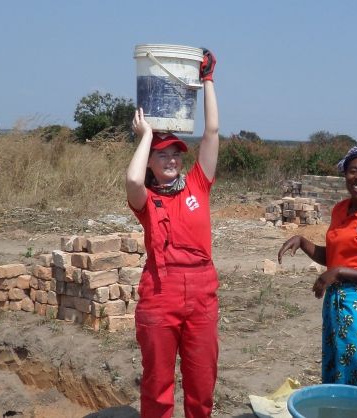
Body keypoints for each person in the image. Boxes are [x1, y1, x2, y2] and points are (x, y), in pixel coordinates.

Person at [125, 48, 219, 418]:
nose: (172, 160)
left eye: (176, 154)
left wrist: (208, 80)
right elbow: (133, 177)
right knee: (157, 385)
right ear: (150, 160)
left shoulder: (198, 185)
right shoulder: (145, 199)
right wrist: (147, 135)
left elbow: (211, 131)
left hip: (202, 294)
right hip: (160, 294)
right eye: (163, 155)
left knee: (201, 384)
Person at [278, 144, 357, 398]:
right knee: (337, 372)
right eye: (353, 171)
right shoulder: (340, 210)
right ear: (345, 175)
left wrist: (340, 273)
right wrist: (303, 242)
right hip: (335, 305)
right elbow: (333, 257)